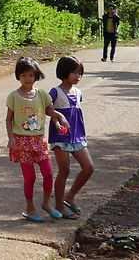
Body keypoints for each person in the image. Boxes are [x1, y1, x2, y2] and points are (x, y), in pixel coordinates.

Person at [6, 56, 69, 222]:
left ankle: (47, 203)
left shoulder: (42, 95)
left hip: (39, 141)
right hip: (21, 142)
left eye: (31, 75)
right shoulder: (14, 96)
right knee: (30, 177)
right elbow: (8, 118)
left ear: (36, 76)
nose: (27, 79)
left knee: (48, 172)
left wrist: (59, 119)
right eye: (24, 75)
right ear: (18, 76)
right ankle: (30, 208)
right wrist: (10, 137)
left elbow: (50, 111)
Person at [48, 55, 94, 219]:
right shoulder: (55, 92)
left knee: (88, 167)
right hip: (60, 137)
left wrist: (84, 134)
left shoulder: (78, 92)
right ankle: (59, 206)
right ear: (64, 72)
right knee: (64, 170)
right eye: (75, 73)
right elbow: (47, 108)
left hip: (77, 136)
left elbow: (78, 115)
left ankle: (70, 196)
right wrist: (57, 119)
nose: (78, 77)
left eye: (80, 73)